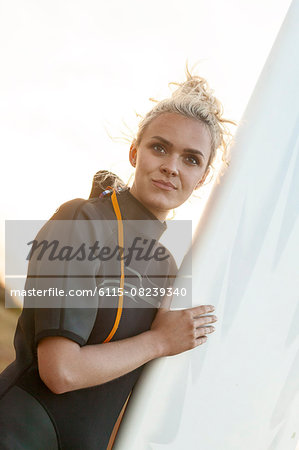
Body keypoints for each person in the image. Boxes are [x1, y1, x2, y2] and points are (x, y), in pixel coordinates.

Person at [0, 68, 234, 449]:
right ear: (134, 152)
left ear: (203, 177)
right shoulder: (80, 222)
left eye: (191, 159)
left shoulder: (168, 269)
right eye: (159, 147)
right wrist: (159, 341)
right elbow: (61, 371)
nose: (172, 166)